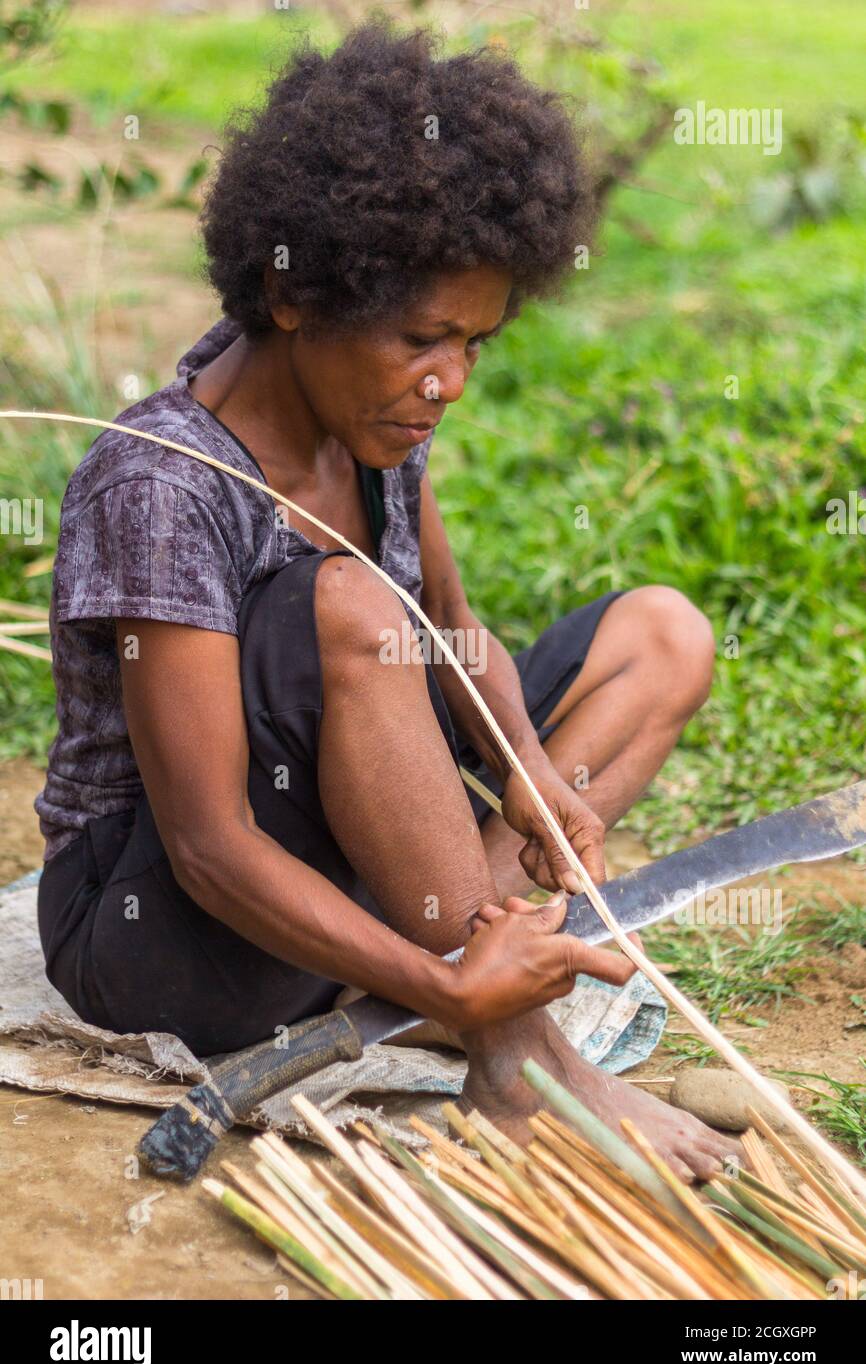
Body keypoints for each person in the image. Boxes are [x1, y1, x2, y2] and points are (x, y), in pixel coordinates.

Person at [35, 20, 738, 1181]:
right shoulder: (159, 485)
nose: (447, 382)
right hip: (166, 922)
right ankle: (512, 1047)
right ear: (298, 294)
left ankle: (455, 933)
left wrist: (526, 773)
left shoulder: (378, 421)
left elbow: (454, 642)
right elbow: (209, 845)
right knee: (355, 611)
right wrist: (443, 990)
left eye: (473, 344)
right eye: (423, 337)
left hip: (345, 833)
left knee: (660, 635)